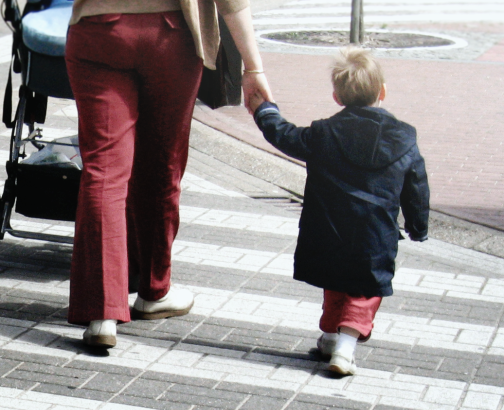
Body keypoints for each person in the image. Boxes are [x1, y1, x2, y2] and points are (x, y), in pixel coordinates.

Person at [66, 0, 273, 349]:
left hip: (99, 30)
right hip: (171, 34)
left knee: (104, 172)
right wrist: (253, 67)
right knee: (163, 165)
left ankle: (102, 313)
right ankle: (154, 290)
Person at [249, 47, 430, 376]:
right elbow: (416, 185)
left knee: (335, 284)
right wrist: (418, 226)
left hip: (327, 231)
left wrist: (264, 110)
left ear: (336, 96)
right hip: (375, 234)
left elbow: (285, 135)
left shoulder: (322, 134)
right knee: (364, 291)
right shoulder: (404, 139)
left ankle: (330, 339)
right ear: (383, 92)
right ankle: (344, 350)